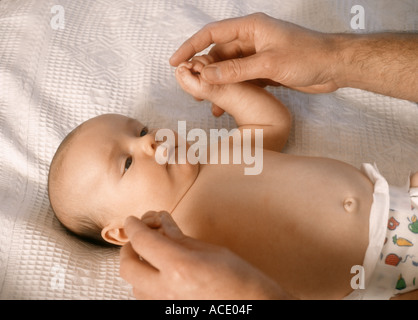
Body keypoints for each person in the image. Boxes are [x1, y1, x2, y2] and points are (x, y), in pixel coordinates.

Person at [49, 51, 418, 299]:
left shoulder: (212, 154)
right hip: (379, 273)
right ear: (121, 231)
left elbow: (270, 123)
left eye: (142, 131)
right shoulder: (182, 247)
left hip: (401, 198)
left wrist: (220, 89)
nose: (148, 143)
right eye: (126, 163)